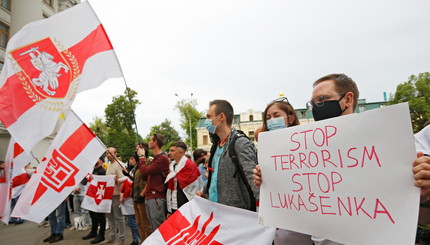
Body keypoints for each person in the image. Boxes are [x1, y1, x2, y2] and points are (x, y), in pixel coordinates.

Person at [254, 73, 430, 245]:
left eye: (322, 100)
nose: (317, 107)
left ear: (348, 99)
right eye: (313, 103)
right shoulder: (307, 149)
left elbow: (417, 213)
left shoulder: (385, 141)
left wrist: (420, 192)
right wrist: (270, 179)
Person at [256, 97, 313, 245]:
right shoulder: (267, 149)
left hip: (304, 223)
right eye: (268, 117)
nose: (271, 120)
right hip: (278, 225)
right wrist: (260, 179)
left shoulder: (306, 144)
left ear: (291, 118)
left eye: (276, 115)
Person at [197, 99, 259, 211]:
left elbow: (254, 180)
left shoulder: (240, 143)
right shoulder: (216, 146)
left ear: (221, 117)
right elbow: (215, 177)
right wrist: (203, 191)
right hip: (216, 213)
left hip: (236, 217)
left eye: (209, 116)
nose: (207, 121)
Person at [137, 133, 169, 231]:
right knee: (153, 227)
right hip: (151, 196)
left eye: (151, 140)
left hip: (156, 196)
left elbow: (144, 171)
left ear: (156, 142)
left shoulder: (162, 158)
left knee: (158, 228)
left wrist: (142, 157)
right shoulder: (156, 158)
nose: (148, 142)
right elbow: (145, 176)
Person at [166, 141, 201, 217]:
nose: (169, 153)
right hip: (173, 203)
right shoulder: (172, 166)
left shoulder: (190, 166)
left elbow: (193, 188)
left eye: (172, 150)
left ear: (181, 152)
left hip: (185, 204)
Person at [102, 147, 126, 245]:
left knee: (119, 217)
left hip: (117, 194)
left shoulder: (119, 165)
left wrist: (117, 181)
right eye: (107, 153)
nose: (108, 155)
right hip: (109, 195)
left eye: (111, 153)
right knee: (110, 217)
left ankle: (121, 239)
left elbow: (125, 178)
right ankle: (112, 236)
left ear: (116, 154)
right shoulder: (109, 166)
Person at [82, 155, 107, 244]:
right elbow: (84, 183)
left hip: (98, 197)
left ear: (101, 160)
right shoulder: (92, 171)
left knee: (100, 217)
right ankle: (93, 231)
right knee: (93, 216)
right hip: (90, 197)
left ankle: (101, 235)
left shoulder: (102, 171)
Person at [132, 143, 152, 241]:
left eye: (138, 150)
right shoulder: (138, 164)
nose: (136, 152)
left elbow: (149, 180)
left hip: (143, 198)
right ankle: (143, 241)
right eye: (136, 150)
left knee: (146, 225)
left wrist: (142, 194)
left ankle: (149, 242)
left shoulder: (149, 162)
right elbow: (137, 179)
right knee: (139, 224)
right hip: (135, 197)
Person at [119, 156, 140, 245]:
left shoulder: (138, 170)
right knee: (131, 222)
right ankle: (135, 239)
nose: (130, 161)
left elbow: (134, 183)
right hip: (128, 200)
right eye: (130, 159)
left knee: (134, 222)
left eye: (132, 159)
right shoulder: (132, 170)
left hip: (133, 199)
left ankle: (138, 239)